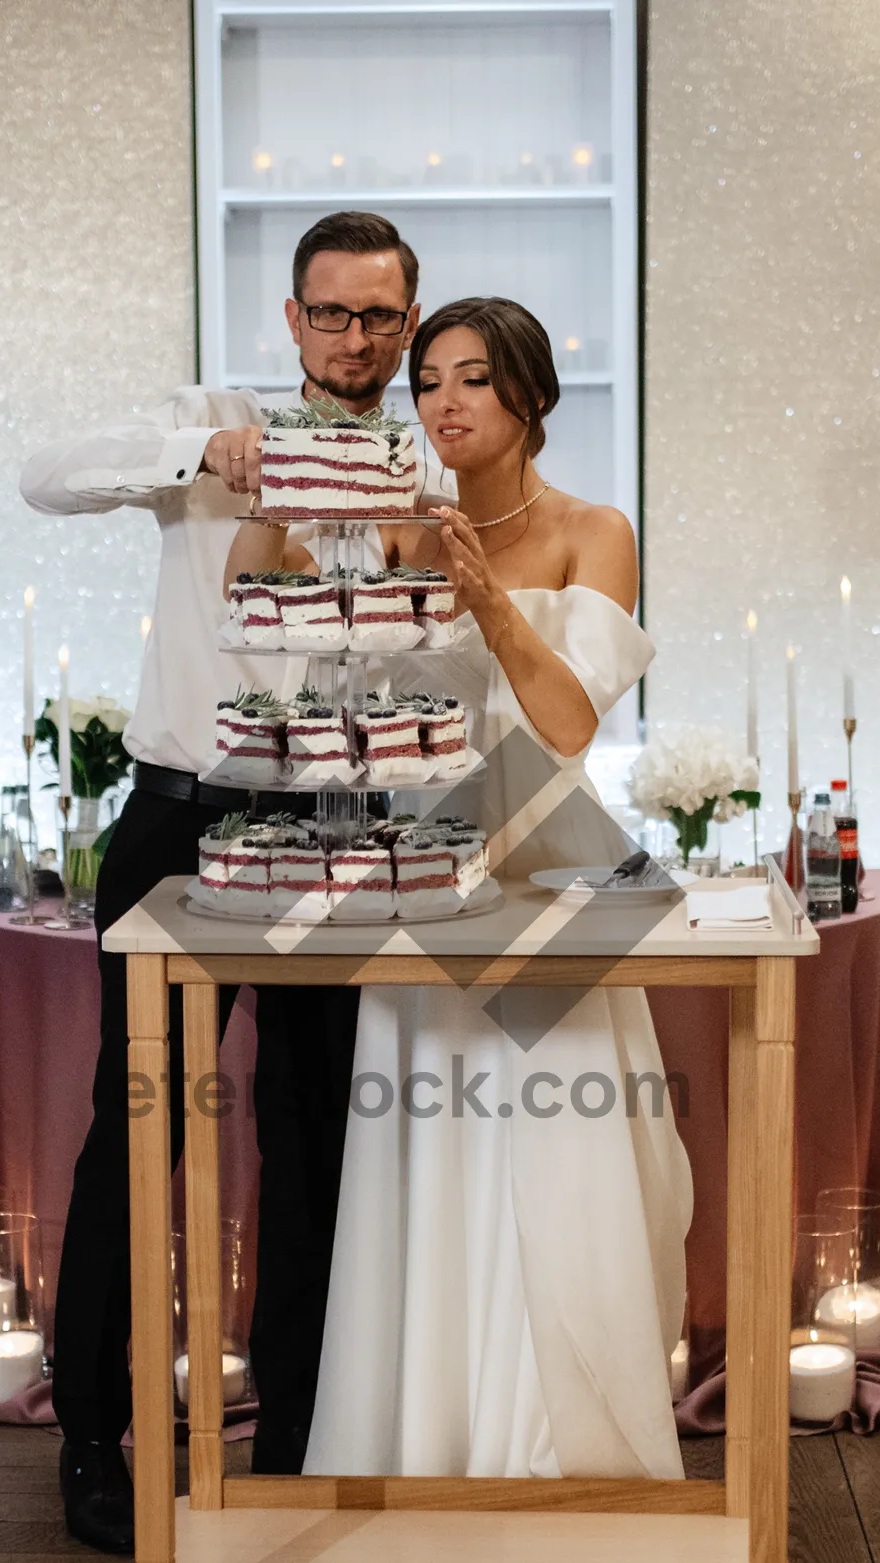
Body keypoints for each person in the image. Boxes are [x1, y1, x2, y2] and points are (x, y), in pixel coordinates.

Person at [19, 212, 453, 1552]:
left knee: (317, 1139)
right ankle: (93, 1437)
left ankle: (305, 1428)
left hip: (339, 827)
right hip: (180, 825)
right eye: (334, 315)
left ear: (410, 321)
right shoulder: (213, 420)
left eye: (384, 318)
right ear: (291, 319)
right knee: (134, 1128)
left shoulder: (427, 461)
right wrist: (196, 454)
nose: (359, 340)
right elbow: (43, 474)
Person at [292, 297, 695, 1479]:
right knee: (424, 1175)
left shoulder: (594, 531)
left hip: (553, 890)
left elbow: (568, 724)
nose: (444, 402)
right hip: (426, 896)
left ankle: (582, 1468)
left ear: (532, 398)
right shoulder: (396, 532)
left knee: (567, 1181)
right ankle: (420, 1456)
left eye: (473, 378)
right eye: (427, 382)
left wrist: (486, 600)